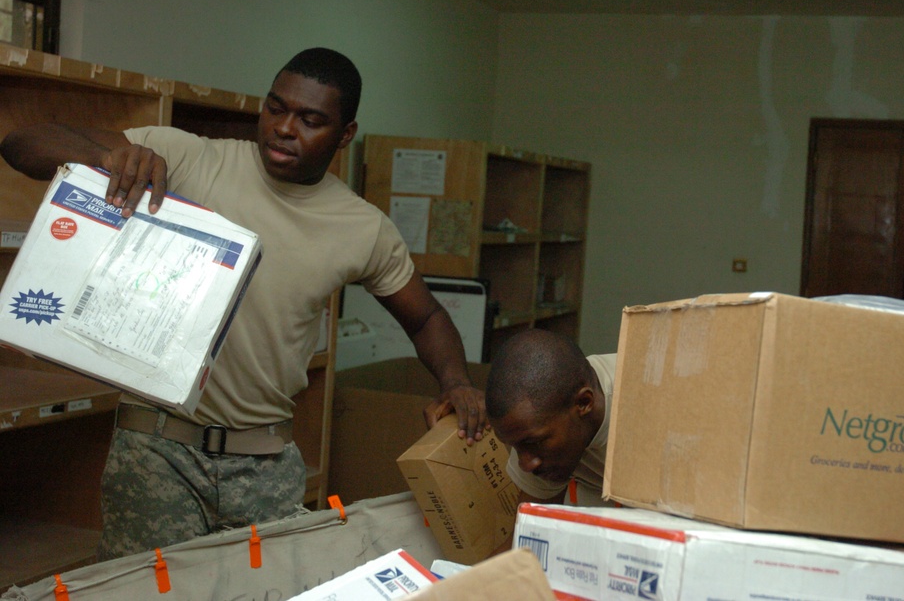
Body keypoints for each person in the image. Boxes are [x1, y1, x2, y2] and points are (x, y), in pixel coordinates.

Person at [0, 47, 487, 559]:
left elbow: (426, 316)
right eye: (275, 108)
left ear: (345, 134)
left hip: (266, 465)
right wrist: (104, 159)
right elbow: (20, 144)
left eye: (310, 119)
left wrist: (456, 384)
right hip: (156, 450)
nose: (284, 127)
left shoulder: (363, 228)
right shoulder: (186, 157)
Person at [484, 328, 616, 553]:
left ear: (584, 403)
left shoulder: (647, 416)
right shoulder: (539, 426)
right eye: (516, 447)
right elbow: (524, 543)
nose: (526, 465)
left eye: (533, 443)